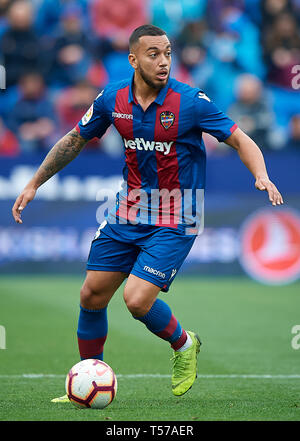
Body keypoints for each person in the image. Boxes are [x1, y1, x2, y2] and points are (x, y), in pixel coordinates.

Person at [12, 24, 283, 402]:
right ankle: (90, 379)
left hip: (178, 216)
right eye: (154, 54)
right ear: (133, 59)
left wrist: (262, 175)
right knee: (91, 295)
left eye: (168, 53)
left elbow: (239, 138)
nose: (164, 61)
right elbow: (75, 139)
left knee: (137, 300)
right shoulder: (112, 98)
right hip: (128, 211)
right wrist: (34, 182)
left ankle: (185, 344)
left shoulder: (191, 102)